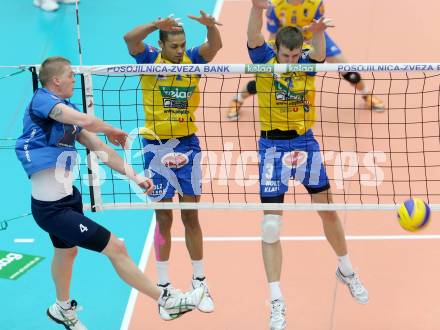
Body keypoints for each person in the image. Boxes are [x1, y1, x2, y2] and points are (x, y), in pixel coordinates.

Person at [15, 57, 204, 330]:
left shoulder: (66, 110)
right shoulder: (43, 101)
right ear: (55, 80)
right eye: (69, 75)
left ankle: (61, 308)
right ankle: (166, 300)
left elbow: (102, 151)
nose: (72, 79)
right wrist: (111, 128)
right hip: (51, 209)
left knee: (66, 254)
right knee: (116, 247)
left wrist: (136, 176)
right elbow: (84, 120)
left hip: (68, 198)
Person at [246, 1, 369, 329]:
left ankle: (347, 270)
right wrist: (257, 8)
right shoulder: (263, 60)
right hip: (271, 147)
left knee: (328, 211)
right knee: (271, 225)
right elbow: (252, 35)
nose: (288, 63)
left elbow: (318, 51)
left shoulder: (307, 63)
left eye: (293, 56)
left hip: (305, 144)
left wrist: (318, 32)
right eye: (284, 56)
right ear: (277, 50)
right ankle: (276, 301)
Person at [123, 12, 222, 318]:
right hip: (155, 146)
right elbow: (129, 39)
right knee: (163, 217)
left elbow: (215, 46)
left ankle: (200, 282)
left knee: (191, 216)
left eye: (182, 45)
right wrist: (155, 24)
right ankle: (164, 288)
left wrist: (209, 28)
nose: (179, 51)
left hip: (188, 144)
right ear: (162, 44)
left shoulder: (193, 59)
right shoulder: (149, 59)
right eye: (174, 45)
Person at [227, 0, 384, 120]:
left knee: (347, 70)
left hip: (313, 40)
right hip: (288, 44)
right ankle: (238, 99)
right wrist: (272, 55)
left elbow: (318, 26)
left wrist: (314, 32)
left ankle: (366, 94)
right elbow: (273, 34)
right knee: (264, 77)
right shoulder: (275, 5)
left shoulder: (315, 2)